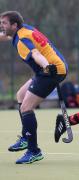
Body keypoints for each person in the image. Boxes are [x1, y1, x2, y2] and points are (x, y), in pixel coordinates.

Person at [0, 11, 68, 164]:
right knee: (21, 95)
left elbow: (36, 55)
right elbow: (4, 36)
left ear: (14, 25)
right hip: (46, 69)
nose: (1, 26)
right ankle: (26, 137)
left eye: (4, 23)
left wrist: (46, 65)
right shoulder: (24, 29)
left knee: (26, 108)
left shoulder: (22, 39)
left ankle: (33, 151)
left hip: (51, 70)